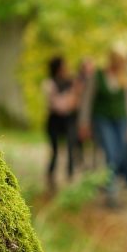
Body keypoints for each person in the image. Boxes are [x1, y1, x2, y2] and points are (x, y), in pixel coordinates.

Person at [79, 50, 127, 208]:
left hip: (121, 119)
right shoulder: (98, 76)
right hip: (102, 119)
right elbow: (87, 99)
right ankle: (112, 193)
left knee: (120, 152)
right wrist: (84, 122)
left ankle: (108, 181)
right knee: (110, 152)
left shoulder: (125, 77)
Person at [43, 56, 79, 188]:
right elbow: (55, 104)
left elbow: (74, 101)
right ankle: (51, 174)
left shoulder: (71, 82)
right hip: (55, 120)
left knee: (71, 146)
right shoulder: (49, 83)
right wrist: (66, 101)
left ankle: (70, 173)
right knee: (55, 149)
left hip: (68, 119)